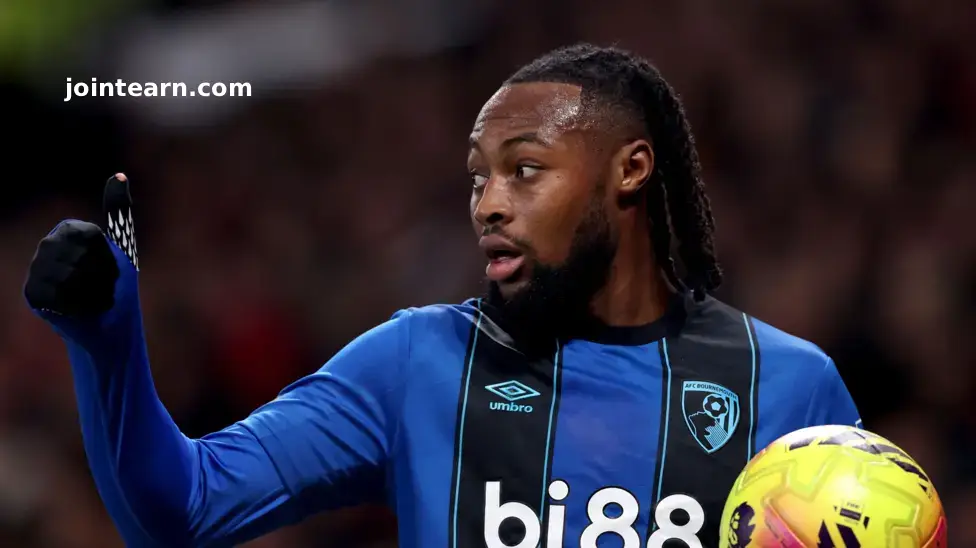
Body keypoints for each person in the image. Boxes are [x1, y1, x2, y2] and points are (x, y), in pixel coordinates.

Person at [23, 44, 861, 548]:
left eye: (524, 170)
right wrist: (105, 344)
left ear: (630, 171)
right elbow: (184, 510)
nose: (489, 204)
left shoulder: (788, 387)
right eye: (478, 178)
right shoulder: (418, 362)